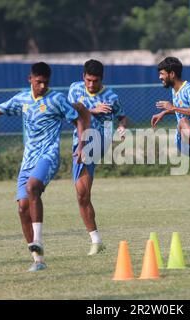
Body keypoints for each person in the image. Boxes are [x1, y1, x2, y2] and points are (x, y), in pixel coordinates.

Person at [0, 62, 88, 271]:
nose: (42, 86)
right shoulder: (22, 99)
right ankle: (38, 261)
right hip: (27, 160)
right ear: (30, 79)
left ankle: (38, 239)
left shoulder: (57, 99)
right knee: (22, 208)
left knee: (32, 188)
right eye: (39, 82)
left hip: (48, 156)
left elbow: (78, 120)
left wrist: (81, 145)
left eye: (46, 82)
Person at [68, 59, 127, 255]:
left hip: (100, 140)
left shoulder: (111, 96)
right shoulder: (75, 89)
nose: (91, 85)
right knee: (81, 195)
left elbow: (122, 116)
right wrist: (91, 110)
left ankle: (83, 152)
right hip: (80, 142)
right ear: (83, 77)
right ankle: (96, 241)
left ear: (102, 79)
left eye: (95, 81)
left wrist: (122, 127)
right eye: (88, 80)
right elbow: (69, 112)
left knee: (82, 190)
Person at [151, 57, 190, 241]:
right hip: (187, 139)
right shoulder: (174, 90)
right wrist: (165, 112)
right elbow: (180, 110)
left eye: (162, 74)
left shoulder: (189, 88)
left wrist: (172, 108)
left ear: (172, 74)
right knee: (183, 122)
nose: (160, 78)